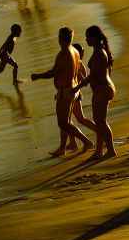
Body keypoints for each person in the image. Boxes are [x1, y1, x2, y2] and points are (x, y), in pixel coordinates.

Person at [31, 27, 93, 157]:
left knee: (63, 122)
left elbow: (53, 72)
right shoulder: (75, 51)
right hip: (73, 89)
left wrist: (37, 76)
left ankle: (86, 141)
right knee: (66, 121)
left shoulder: (64, 53)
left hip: (66, 91)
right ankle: (63, 147)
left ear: (60, 38)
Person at [72, 26, 117, 159]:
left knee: (101, 122)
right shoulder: (99, 51)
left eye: (88, 37)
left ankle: (111, 150)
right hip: (101, 89)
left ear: (95, 38)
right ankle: (98, 151)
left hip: (103, 90)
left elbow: (93, 76)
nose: (86, 39)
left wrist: (77, 87)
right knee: (99, 122)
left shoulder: (99, 53)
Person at [65, 44, 99, 152]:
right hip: (74, 94)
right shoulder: (77, 64)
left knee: (77, 119)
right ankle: (73, 142)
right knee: (71, 119)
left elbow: (82, 80)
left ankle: (99, 132)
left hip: (74, 94)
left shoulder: (77, 64)